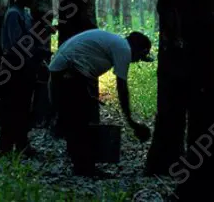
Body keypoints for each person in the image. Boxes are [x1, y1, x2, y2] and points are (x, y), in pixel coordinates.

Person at [49, 29, 153, 176]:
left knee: (77, 119)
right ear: (136, 49)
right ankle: (84, 167)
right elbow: (122, 88)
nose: (136, 61)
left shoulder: (115, 43)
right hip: (69, 70)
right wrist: (131, 121)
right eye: (140, 56)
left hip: (65, 68)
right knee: (81, 121)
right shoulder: (123, 49)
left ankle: (80, 163)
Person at [0, 0, 45, 157]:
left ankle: (22, 144)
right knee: (12, 108)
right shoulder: (13, 14)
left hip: (25, 68)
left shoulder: (25, 14)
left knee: (23, 108)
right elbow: (18, 44)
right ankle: (5, 147)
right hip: (13, 68)